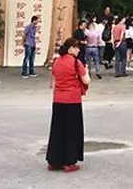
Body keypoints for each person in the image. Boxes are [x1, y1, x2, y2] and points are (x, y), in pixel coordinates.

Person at [46, 38, 91, 173]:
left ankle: (54, 161)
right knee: (72, 131)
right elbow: (86, 80)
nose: (78, 50)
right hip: (72, 100)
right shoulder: (76, 63)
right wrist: (87, 71)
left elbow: (52, 83)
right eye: (77, 48)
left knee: (57, 130)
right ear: (71, 48)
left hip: (58, 99)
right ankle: (69, 162)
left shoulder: (57, 61)